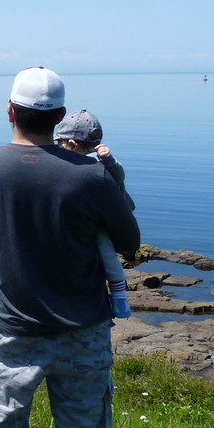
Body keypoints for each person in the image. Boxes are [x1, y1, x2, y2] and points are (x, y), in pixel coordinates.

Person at [0, 67, 139, 428]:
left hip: (11, 326)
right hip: (84, 328)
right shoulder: (92, 177)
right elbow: (129, 241)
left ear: (9, 111)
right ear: (60, 117)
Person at [54, 108, 137, 319]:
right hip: (92, 216)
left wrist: (110, 161)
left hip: (103, 222)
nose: (58, 148)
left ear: (72, 144)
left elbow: (119, 176)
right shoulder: (77, 163)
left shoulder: (98, 163)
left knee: (106, 252)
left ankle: (119, 293)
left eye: (60, 144)